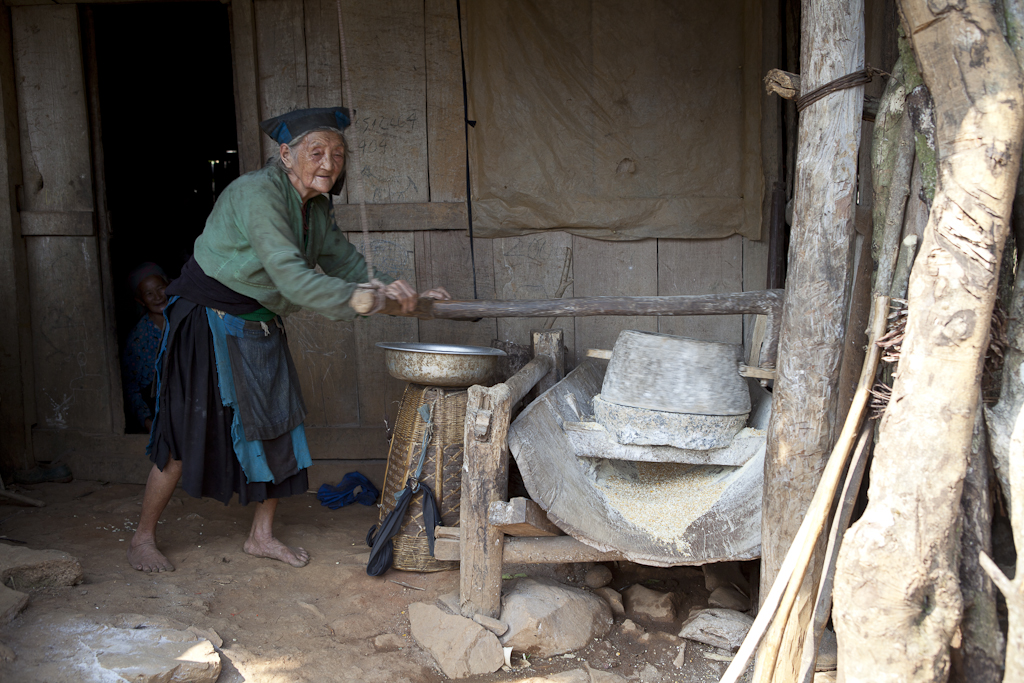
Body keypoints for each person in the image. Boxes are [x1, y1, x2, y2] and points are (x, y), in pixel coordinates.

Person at [127, 106, 449, 573]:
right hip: (207, 320)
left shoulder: (317, 207)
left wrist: (411, 298)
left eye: (337, 154)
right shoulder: (257, 195)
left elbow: (349, 266)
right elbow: (294, 279)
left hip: (261, 322)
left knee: (279, 427)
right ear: (285, 154)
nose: (328, 163)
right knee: (183, 431)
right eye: (316, 152)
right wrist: (363, 299)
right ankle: (141, 538)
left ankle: (261, 536)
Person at [122, 263, 170, 433]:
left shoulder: (187, 321)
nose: (157, 297)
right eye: (149, 294)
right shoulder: (138, 338)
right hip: (160, 411)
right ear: (140, 300)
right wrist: (148, 421)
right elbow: (131, 387)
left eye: (160, 288)